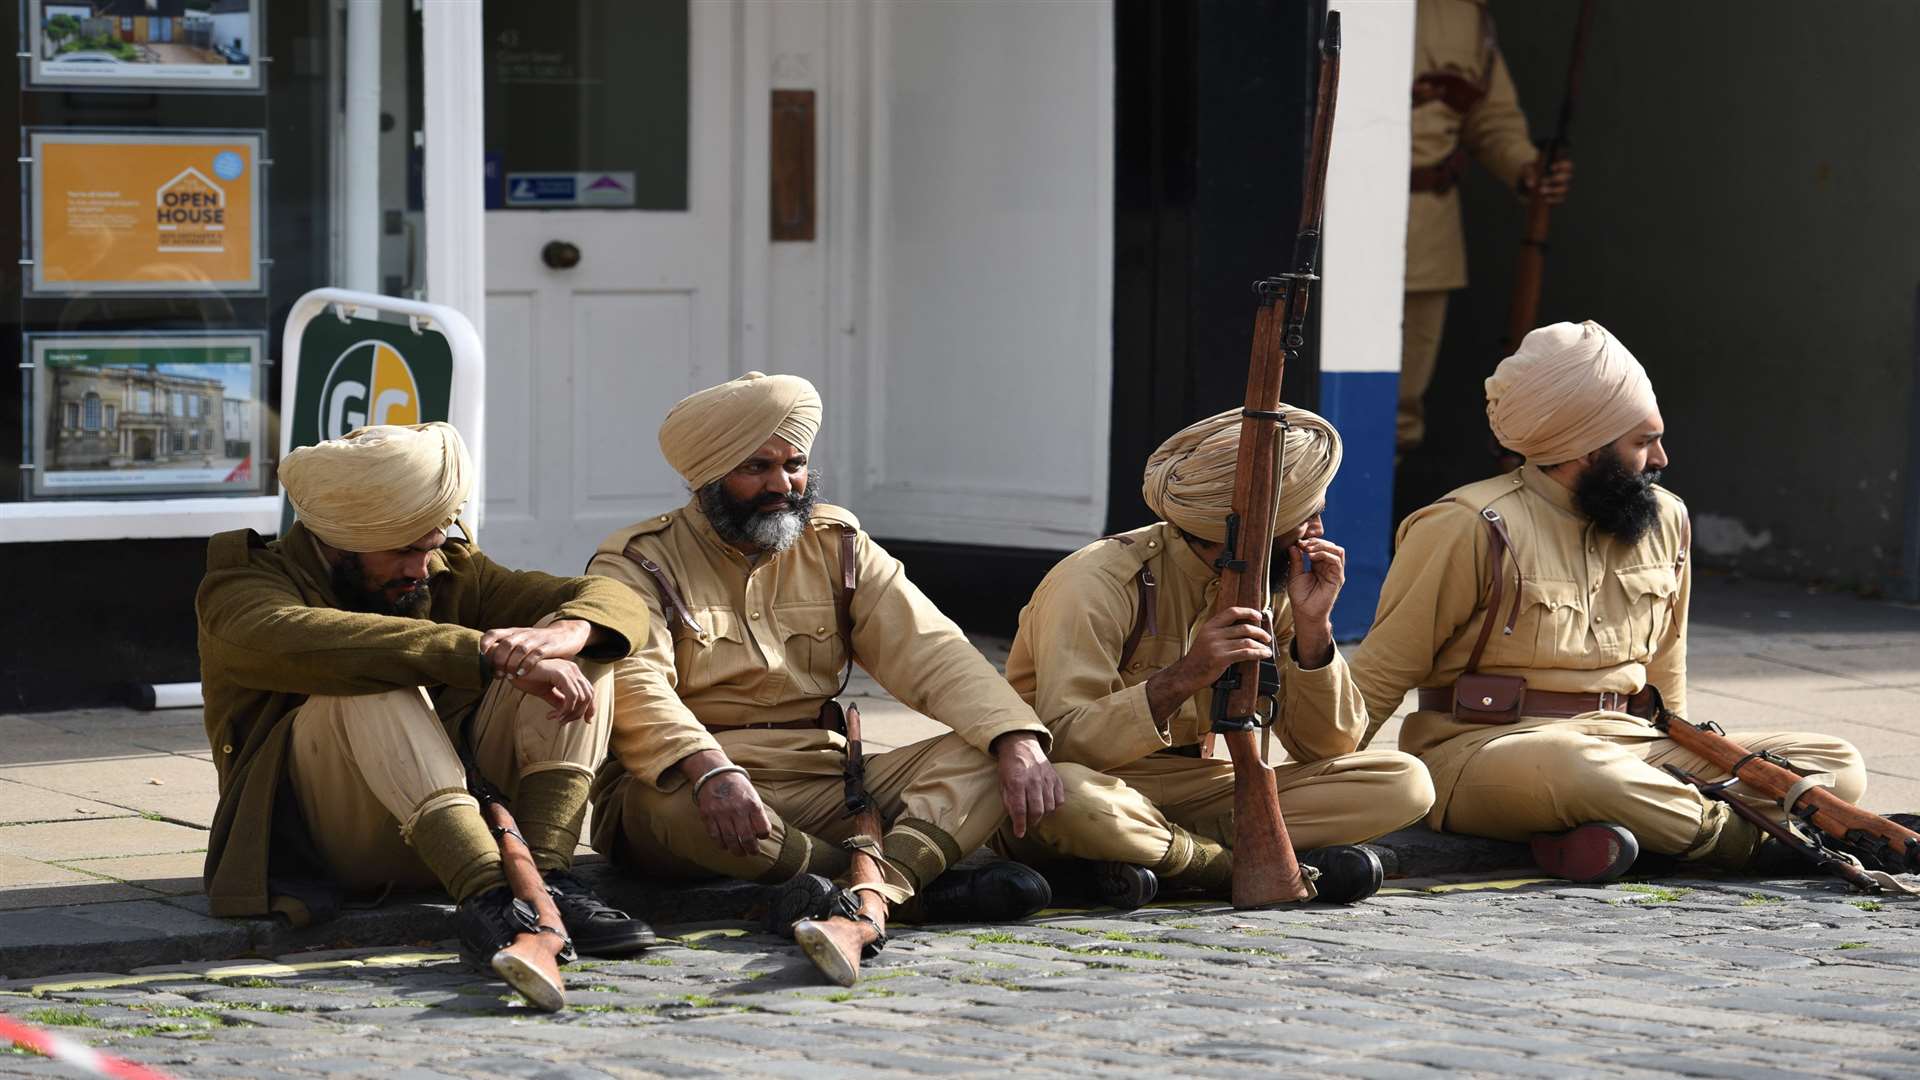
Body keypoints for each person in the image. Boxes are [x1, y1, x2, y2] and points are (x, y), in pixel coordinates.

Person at [1352, 321, 1867, 882]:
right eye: (1642, 442)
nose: (1661, 458)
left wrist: (1693, 757)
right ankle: (1748, 844)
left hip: (1633, 746)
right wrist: (1321, 786)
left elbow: (1667, 666)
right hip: (1487, 751)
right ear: (1584, 448)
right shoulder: (1469, 525)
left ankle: (1628, 832)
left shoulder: (1667, 518)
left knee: (1835, 763)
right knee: (1577, 771)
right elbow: (1383, 671)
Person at [586, 372, 1061, 942]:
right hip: (698, 785)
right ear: (707, 477)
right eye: (756, 467)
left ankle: (862, 888)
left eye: (794, 464)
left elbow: (932, 648)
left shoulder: (838, 543)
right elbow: (638, 684)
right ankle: (892, 879)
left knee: (987, 754)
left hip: (830, 777)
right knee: (664, 813)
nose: (782, 484)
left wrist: (1015, 738)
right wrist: (709, 768)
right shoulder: (638, 561)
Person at [197, 423, 656, 998]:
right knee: (371, 673)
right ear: (340, 540)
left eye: (431, 545)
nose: (421, 568)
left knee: (583, 652)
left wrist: (568, 633)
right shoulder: (241, 584)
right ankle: (490, 897)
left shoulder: (450, 569)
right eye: (403, 551)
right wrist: (485, 651)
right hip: (334, 847)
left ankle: (547, 878)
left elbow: (619, 600)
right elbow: (292, 636)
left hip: (468, 820)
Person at [997, 408, 1436, 907]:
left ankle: (1152, 858)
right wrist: (1184, 677)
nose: (1316, 532)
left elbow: (1329, 748)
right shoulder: (1096, 580)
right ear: (1244, 530)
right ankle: (1225, 866)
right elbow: (1065, 742)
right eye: (1304, 518)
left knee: (1404, 782)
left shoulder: (1276, 586)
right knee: (1070, 798)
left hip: (1199, 789)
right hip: (1095, 787)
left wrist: (1314, 631)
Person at [1400, 0, 1575, 454]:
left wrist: (1526, 168)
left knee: (1398, 408)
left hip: (1423, 232)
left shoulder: (1463, 15)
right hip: (1321, 227)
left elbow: (1490, 119)